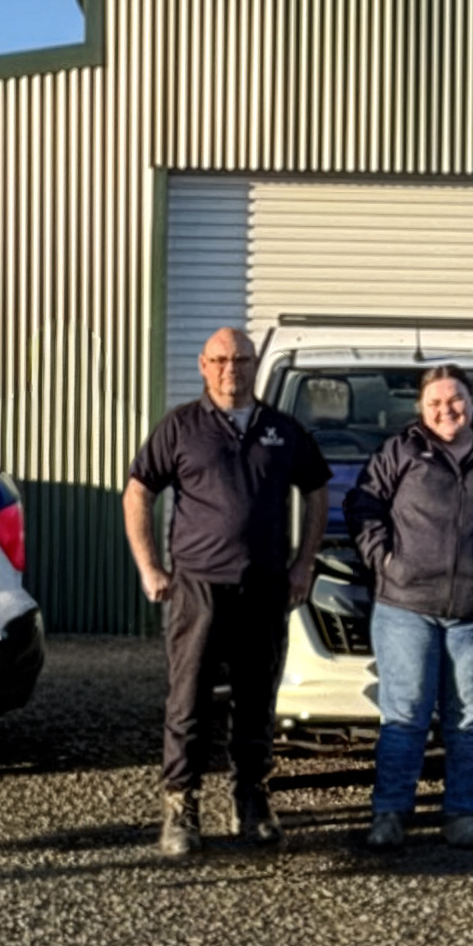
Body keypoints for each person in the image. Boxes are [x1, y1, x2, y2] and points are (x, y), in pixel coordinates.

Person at [124, 326, 330, 856]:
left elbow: (317, 489)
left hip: (264, 588)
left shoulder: (281, 430)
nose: (229, 369)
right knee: (188, 700)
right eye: (219, 359)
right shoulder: (181, 427)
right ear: (202, 364)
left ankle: (252, 799)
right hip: (198, 588)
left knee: (256, 698)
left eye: (240, 359)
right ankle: (180, 806)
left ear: (254, 363)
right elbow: (138, 490)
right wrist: (149, 566)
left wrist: (303, 564)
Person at [345, 364, 473, 853]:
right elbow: (363, 505)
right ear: (421, 408)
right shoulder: (401, 451)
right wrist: (385, 559)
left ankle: (462, 816)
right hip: (406, 606)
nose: (446, 410)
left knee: (469, 719)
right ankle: (390, 815)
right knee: (406, 716)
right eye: (435, 402)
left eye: (455, 399)